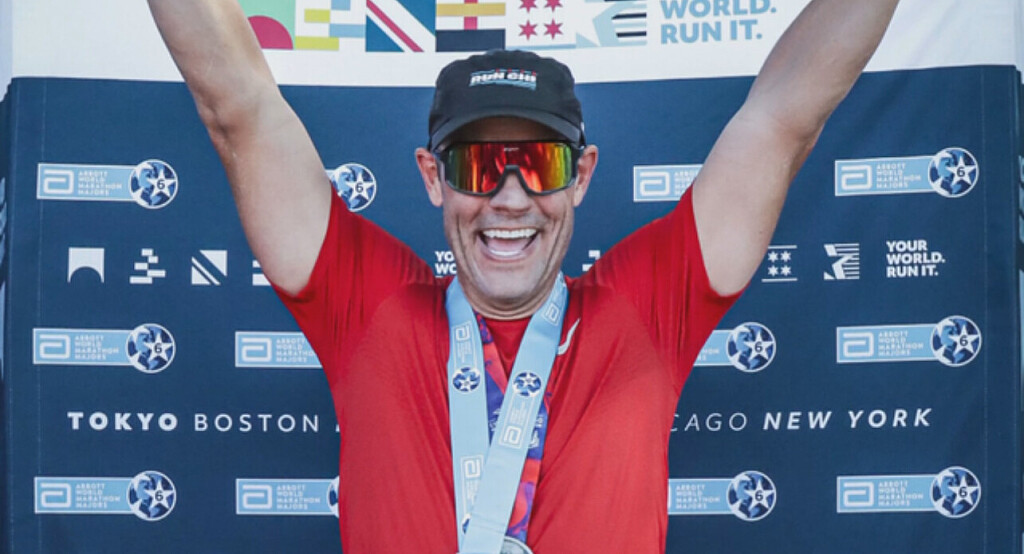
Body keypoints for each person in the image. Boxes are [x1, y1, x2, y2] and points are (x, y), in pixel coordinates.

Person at [147, 1, 901, 552]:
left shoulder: (647, 309)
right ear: (433, 177)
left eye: (539, 164)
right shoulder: (367, 306)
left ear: (583, 176)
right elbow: (238, 107)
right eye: (479, 165)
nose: (510, 198)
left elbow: (784, 116)